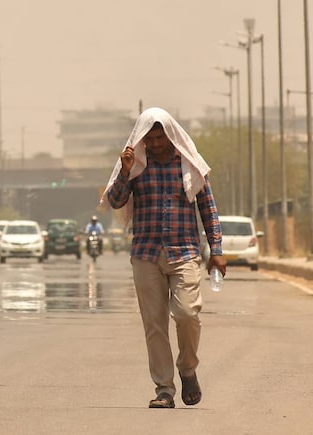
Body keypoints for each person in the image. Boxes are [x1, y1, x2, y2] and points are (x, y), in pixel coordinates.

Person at [103, 107, 227, 409]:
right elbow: (115, 201)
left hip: (184, 253)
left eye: (160, 138)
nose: (156, 144)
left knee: (187, 315)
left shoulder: (188, 165)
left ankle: (188, 368)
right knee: (154, 325)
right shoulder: (135, 165)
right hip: (145, 254)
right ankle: (164, 389)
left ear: (170, 136)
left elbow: (207, 210)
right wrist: (124, 171)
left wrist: (217, 251)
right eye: (151, 139)